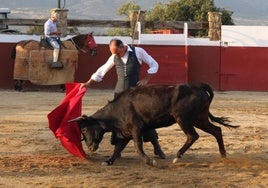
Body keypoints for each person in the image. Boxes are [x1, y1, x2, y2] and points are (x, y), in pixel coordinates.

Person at [80, 38, 166, 159]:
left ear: (122, 47)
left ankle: (157, 147)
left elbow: (154, 64)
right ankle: (117, 151)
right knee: (117, 122)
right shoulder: (114, 56)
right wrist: (88, 83)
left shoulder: (138, 52)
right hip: (119, 95)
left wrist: (146, 79)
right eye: (113, 53)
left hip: (136, 95)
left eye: (117, 52)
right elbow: (101, 71)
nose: (116, 55)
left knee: (143, 120)